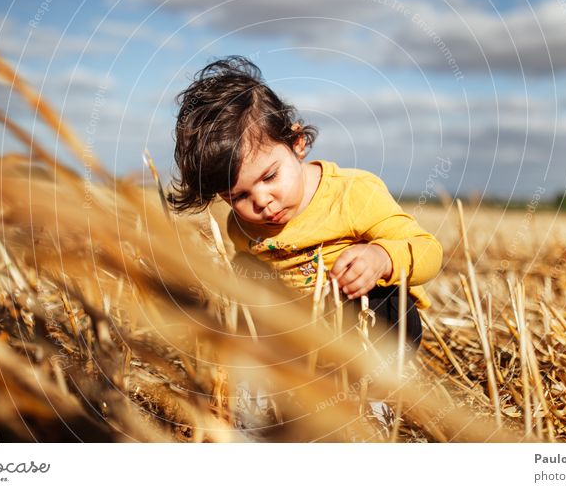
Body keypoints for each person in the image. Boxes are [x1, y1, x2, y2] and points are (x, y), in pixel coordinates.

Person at [168, 56, 443, 354]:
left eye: (270, 176)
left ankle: (375, 390)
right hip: (300, 334)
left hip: (364, 322)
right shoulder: (240, 225)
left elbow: (429, 250)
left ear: (297, 143)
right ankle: (264, 376)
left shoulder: (351, 194)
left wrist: (382, 257)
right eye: (238, 196)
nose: (261, 201)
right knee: (245, 275)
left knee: (384, 301)